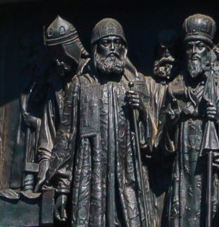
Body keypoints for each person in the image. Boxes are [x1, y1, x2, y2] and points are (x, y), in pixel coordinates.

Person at [45, 19, 155, 227]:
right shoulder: (80, 85)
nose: (113, 48)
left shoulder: (133, 86)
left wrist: (141, 110)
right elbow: (66, 138)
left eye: (117, 43)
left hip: (127, 176)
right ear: (96, 48)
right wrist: (61, 189)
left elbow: (150, 144)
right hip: (90, 176)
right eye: (107, 43)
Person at [155, 14, 219, 227]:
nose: (193, 53)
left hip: (216, 172)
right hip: (183, 173)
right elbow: (161, 149)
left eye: (199, 47)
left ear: (209, 50)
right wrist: (172, 124)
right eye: (189, 47)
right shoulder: (175, 88)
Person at [19, 20, 88, 199]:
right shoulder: (55, 84)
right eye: (53, 56)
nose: (57, 61)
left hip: (87, 165)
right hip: (60, 169)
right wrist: (44, 163)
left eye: (60, 54)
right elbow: (48, 131)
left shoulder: (92, 76)